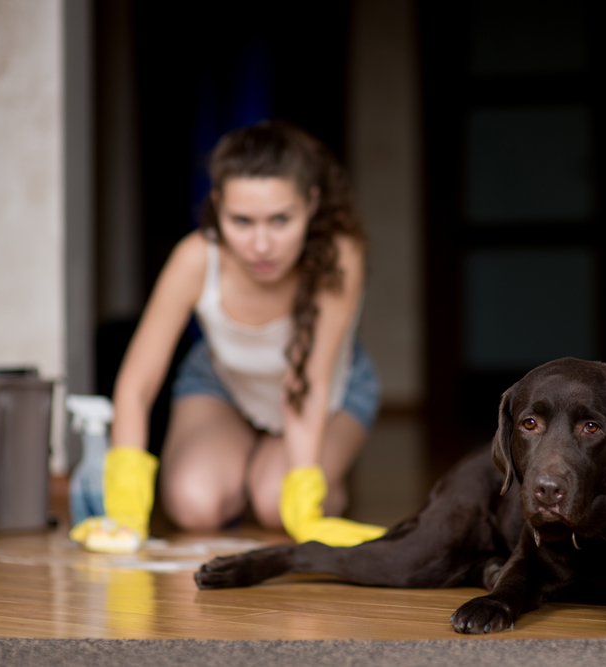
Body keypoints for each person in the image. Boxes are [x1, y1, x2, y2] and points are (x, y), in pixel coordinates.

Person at [70, 120, 386, 554]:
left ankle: (305, 476)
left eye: (280, 220)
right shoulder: (195, 258)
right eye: (242, 220)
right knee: (194, 504)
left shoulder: (338, 255)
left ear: (311, 204)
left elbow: (307, 383)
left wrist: (304, 502)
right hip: (224, 385)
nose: (261, 245)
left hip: (326, 393)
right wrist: (124, 507)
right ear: (217, 205)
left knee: (278, 504)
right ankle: (248, 457)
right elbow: (135, 385)